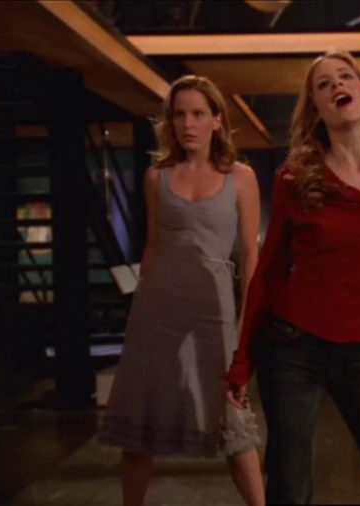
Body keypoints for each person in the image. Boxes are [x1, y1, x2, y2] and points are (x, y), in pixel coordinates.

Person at [223, 49, 360, 505]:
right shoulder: (296, 179)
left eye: (345, 77)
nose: (337, 85)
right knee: (290, 487)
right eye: (324, 84)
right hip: (293, 345)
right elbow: (270, 272)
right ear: (316, 108)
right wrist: (243, 359)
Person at [97, 75, 265, 506]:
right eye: (179, 114)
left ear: (216, 120)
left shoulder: (241, 177)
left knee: (232, 421)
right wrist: (139, 316)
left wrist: (247, 322)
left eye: (198, 113)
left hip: (214, 308)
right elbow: (153, 247)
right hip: (157, 311)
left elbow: (251, 256)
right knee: (140, 423)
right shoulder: (157, 176)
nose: (188, 124)